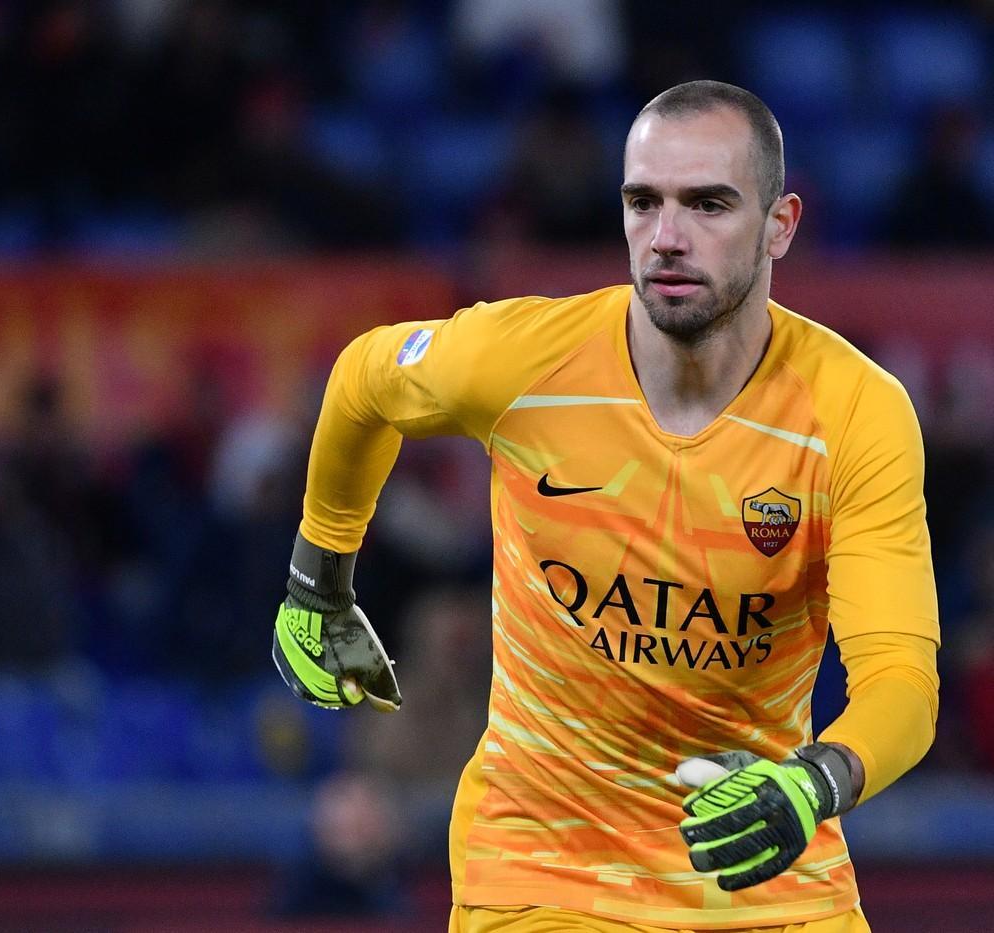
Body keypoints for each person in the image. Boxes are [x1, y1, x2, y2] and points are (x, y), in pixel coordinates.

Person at [272, 80, 938, 932]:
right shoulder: (523, 361)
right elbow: (366, 376)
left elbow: (903, 685)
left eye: (708, 204)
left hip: (758, 865)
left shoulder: (854, 412)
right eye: (642, 202)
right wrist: (318, 576)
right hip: (543, 871)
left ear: (781, 224)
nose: (667, 237)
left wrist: (818, 780)